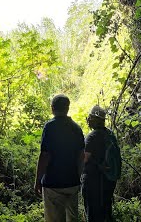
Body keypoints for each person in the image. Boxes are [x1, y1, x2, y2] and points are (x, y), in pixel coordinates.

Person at [34, 94, 85, 222]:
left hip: (53, 184)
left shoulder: (50, 127)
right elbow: (81, 156)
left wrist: (38, 180)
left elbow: (45, 155)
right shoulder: (76, 128)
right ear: (67, 108)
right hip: (72, 183)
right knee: (72, 218)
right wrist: (78, 177)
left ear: (52, 108)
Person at [81, 105, 120, 222]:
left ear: (94, 119)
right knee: (106, 210)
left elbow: (85, 159)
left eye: (90, 117)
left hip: (93, 181)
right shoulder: (110, 134)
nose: (88, 120)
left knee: (93, 213)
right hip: (109, 179)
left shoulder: (91, 137)